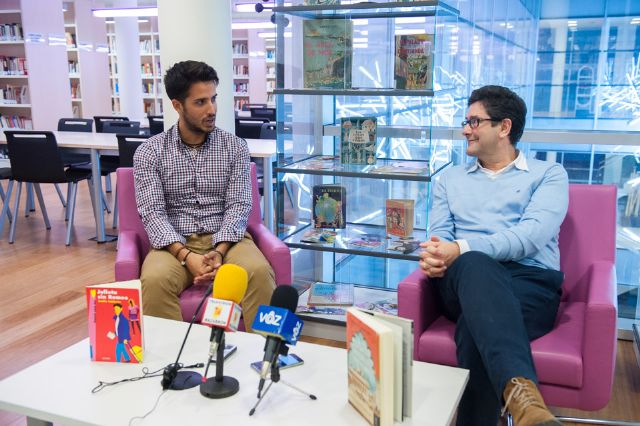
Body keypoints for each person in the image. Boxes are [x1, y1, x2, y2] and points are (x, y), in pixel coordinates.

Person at [419, 85, 568, 426]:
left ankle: (522, 407)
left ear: (504, 127)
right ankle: (524, 402)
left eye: (474, 121)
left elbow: (529, 238)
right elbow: (441, 238)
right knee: (474, 264)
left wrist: (461, 249)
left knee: (476, 326)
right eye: (465, 121)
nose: (464, 129)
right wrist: (436, 256)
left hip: (530, 283)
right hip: (463, 279)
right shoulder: (449, 179)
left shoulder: (549, 175)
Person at [134, 60, 275, 332]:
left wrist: (218, 251)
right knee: (153, 281)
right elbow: (152, 213)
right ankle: (171, 366)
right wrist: (187, 256)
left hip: (228, 241)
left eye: (213, 99)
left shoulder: (235, 147)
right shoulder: (149, 152)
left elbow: (239, 205)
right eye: (200, 102)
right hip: (174, 244)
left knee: (257, 272)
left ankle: (263, 361)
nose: (212, 110)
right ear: (177, 105)